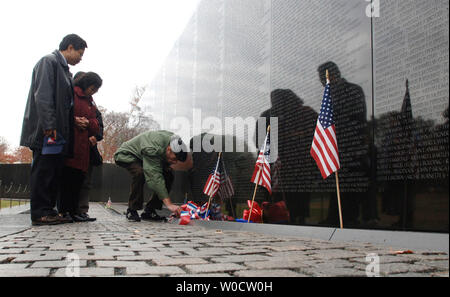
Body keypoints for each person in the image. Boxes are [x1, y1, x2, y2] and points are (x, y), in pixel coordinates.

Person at [20, 34, 87, 226]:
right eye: (80, 54)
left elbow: (63, 104)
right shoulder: (48, 62)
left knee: (53, 172)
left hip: (59, 134)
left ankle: (49, 210)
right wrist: (49, 125)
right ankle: (40, 212)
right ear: (70, 47)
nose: (81, 58)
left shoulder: (65, 70)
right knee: (43, 171)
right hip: (46, 132)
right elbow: (43, 95)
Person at [114, 131, 187, 221]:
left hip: (144, 155)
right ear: (169, 149)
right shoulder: (153, 148)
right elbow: (154, 178)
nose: (175, 162)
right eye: (174, 159)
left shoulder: (174, 140)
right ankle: (132, 210)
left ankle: (150, 211)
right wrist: (169, 204)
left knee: (168, 174)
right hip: (127, 154)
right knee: (139, 173)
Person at [58, 72, 102, 222]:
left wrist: (88, 123)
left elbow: (96, 123)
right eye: (93, 88)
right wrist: (74, 120)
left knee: (78, 181)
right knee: (67, 180)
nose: (94, 92)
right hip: (70, 144)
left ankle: (74, 211)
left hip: (84, 148)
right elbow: (60, 113)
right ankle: (65, 211)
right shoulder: (70, 93)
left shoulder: (91, 102)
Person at [74, 72, 104, 222]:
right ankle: (68, 210)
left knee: (86, 181)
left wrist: (96, 136)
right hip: (73, 146)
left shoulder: (92, 104)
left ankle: (82, 210)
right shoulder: (73, 97)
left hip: (88, 148)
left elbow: (98, 124)